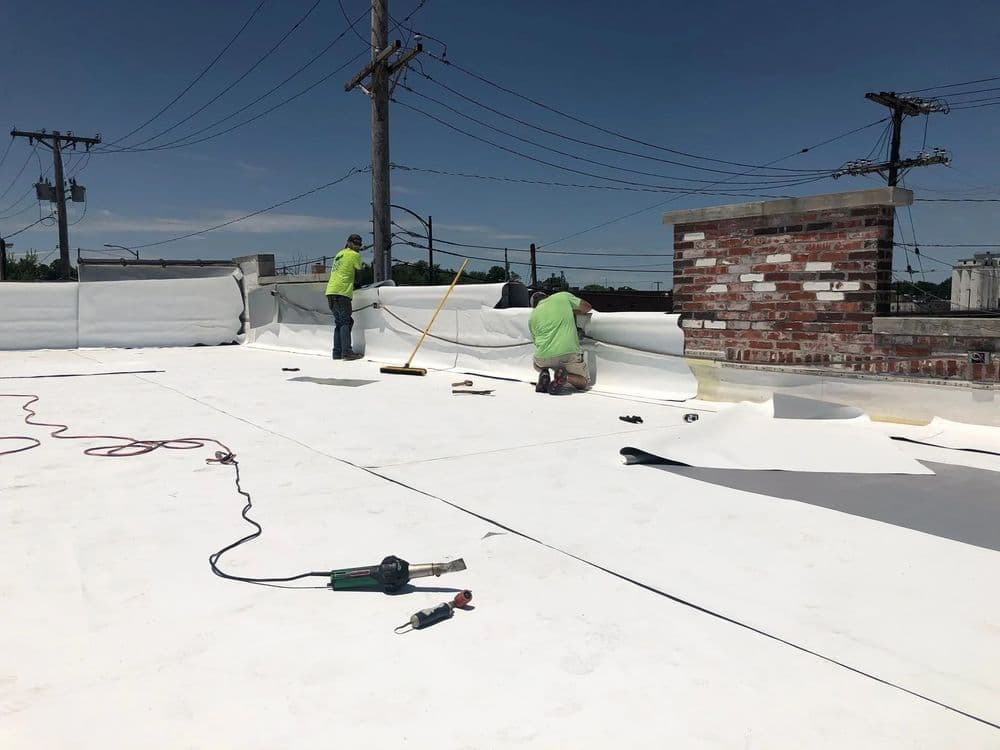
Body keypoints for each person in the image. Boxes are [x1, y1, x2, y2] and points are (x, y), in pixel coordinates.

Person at [528, 291, 594, 394]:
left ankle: (544, 373)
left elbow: (537, 342)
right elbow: (587, 307)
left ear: (534, 306)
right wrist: (571, 311)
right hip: (568, 353)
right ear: (547, 296)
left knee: (536, 364)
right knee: (583, 383)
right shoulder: (562, 296)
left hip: (544, 357)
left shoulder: (532, 317)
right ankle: (565, 377)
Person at [326, 234, 366, 360]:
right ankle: (347, 352)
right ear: (349, 242)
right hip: (342, 292)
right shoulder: (355, 255)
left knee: (339, 322)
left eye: (359, 244)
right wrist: (358, 284)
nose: (357, 246)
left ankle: (337, 352)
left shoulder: (339, 254)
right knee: (346, 322)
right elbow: (358, 274)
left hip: (331, 291)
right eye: (355, 244)